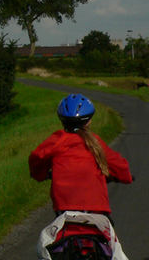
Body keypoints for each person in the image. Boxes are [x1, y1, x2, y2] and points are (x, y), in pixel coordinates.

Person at [30, 93, 133, 259]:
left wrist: (42, 174)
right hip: (98, 215)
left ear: (62, 120)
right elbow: (122, 167)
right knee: (116, 254)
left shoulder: (56, 140)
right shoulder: (96, 143)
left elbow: (37, 159)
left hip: (65, 215)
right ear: (89, 120)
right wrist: (125, 177)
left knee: (46, 249)